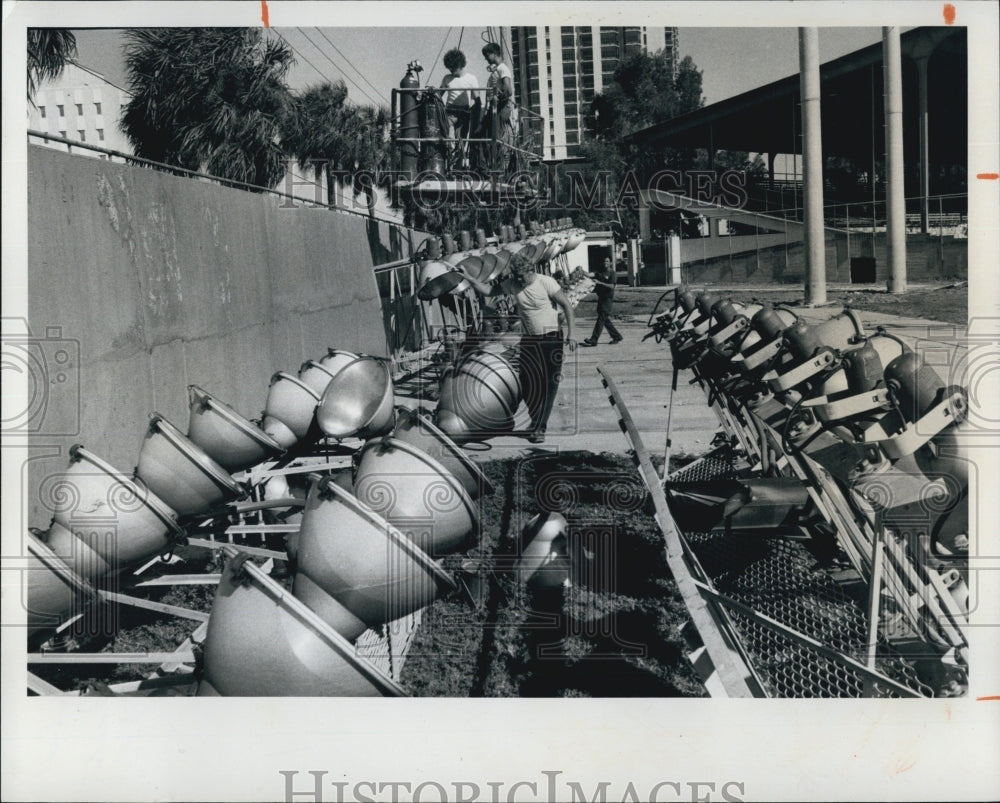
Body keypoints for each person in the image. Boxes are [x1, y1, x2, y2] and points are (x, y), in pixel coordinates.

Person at [461, 252, 576, 443]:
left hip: (551, 338)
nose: (519, 280)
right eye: (517, 277)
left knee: (549, 384)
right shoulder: (513, 284)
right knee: (527, 382)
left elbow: (567, 306)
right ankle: (535, 421)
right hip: (530, 340)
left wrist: (572, 334)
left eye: (522, 276)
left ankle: (540, 428)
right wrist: (469, 278)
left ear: (531, 270)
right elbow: (488, 291)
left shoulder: (546, 282)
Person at [481, 41, 517, 175]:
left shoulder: (503, 68)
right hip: (495, 107)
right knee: (491, 135)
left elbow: (508, 90)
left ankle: (499, 167)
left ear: (493, 54)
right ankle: (493, 164)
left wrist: (499, 97)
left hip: (501, 107)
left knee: (499, 136)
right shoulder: (497, 71)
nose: (485, 58)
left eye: (486, 55)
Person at [440, 48, 479, 169]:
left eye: (453, 68)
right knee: (449, 141)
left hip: (464, 114)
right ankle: (447, 167)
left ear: (460, 65)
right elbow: (438, 94)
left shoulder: (471, 79)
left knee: (460, 143)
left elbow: (476, 98)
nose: (451, 70)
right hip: (450, 113)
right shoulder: (447, 78)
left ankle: (457, 170)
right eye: (449, 68)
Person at [581, 257, 623, 346]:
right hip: (601, 298)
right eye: (604, 261)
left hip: (607, 299)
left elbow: (612, 286)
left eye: (607, 261)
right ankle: (617, 336)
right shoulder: (599, 272)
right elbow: (589, 275)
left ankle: (594, 339)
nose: (605, 263)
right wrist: (581, 271)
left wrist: (600, 283)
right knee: (604, 319)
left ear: (610, 263)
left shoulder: (612, 273)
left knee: (601, 318)